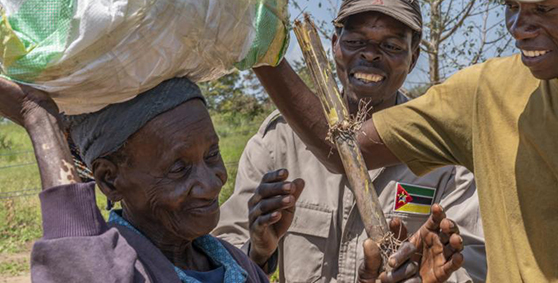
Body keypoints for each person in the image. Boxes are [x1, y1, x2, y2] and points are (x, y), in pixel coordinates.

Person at [252, 0, 558, 282]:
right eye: (510, 5)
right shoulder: (487, 91)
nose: (519, 29)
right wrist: (258, 36)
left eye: (543, 8)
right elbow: (343, 153)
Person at [0, 77, 463, 283]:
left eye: (213, 155)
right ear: (108, 179)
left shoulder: (232, 266)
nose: (210, 181)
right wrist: (37, 118)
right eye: (179, 168)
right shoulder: (122, 267)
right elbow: (76, 265)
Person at [215, 0, 486, 282]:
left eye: (392, 46)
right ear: (334, 45)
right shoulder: (280, 139)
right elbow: (219, 253)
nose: (370, 55)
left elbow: (473, 266)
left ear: (413, 58)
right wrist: (258, 252)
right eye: (356, 41)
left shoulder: (443, 154)